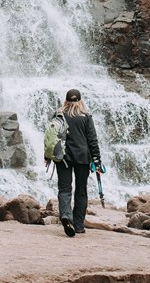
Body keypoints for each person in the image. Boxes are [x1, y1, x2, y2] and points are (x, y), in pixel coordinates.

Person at [54, 88, 101, 237]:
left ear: (66, 101)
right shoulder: (86, 116)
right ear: (80, 101)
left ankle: (66, 216)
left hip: (63, 157)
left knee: (64, 189)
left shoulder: (58, 115)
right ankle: (79, 225)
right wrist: (97, 160)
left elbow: (50, 137)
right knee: (81, 190)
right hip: (82, 158)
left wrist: (47, 156)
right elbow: (92, 139)